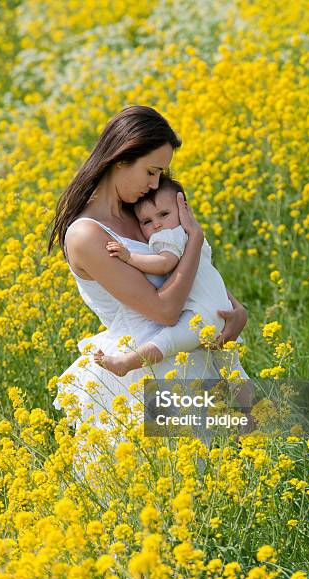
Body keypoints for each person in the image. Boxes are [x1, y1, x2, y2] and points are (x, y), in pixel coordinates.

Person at [47, 106, 248, 428]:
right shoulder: (87, 234)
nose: (155, 185)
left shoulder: (141, 213)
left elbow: (196, 274)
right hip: (147, 374)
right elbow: (165, 311)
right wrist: (195, 239)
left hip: (195, 357)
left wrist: (236, 310)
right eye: (151, 171)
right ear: (121, 159)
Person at [93, 176, 249, 383]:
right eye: (146, 221)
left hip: (200, 316)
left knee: (166, 342)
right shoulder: (188, 235)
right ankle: (253, 412)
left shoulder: (169, 236)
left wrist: (129, 257)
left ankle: (126, 364)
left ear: (183, 209)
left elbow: (164, 263)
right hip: (222, 309)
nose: (157, 225)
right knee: (233, 371)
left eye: (164, 214)